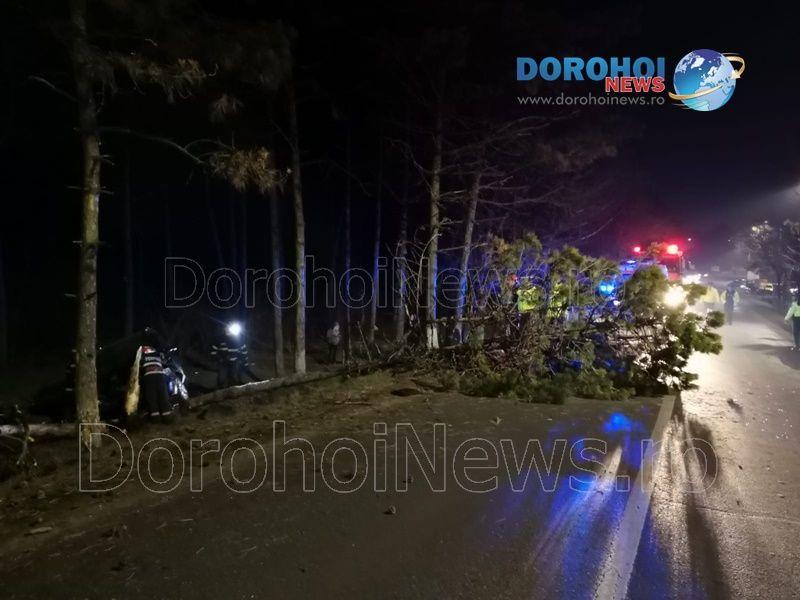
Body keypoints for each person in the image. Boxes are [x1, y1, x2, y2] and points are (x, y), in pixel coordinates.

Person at [140, 344, 174, 422]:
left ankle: (156, 418)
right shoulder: (158, 355)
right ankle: (167, 417)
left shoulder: (142, 356)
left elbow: (140, 366)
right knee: (162, 395)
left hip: (150, 377)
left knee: (152, 397)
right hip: (159, 376)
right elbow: (164, 362)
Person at [211, 322, 250, 388]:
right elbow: (213, 351)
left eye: (230, 328)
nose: (228, 330)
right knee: (221, 378)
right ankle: (220, 390)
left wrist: (245, 364)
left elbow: (244, 352)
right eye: (227, 328)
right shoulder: (219, 339)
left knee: (233, 378)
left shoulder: (239, 340)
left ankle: (232, 390)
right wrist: (219, 359)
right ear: (224, 329)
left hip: (235, 363)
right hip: (223, 363)